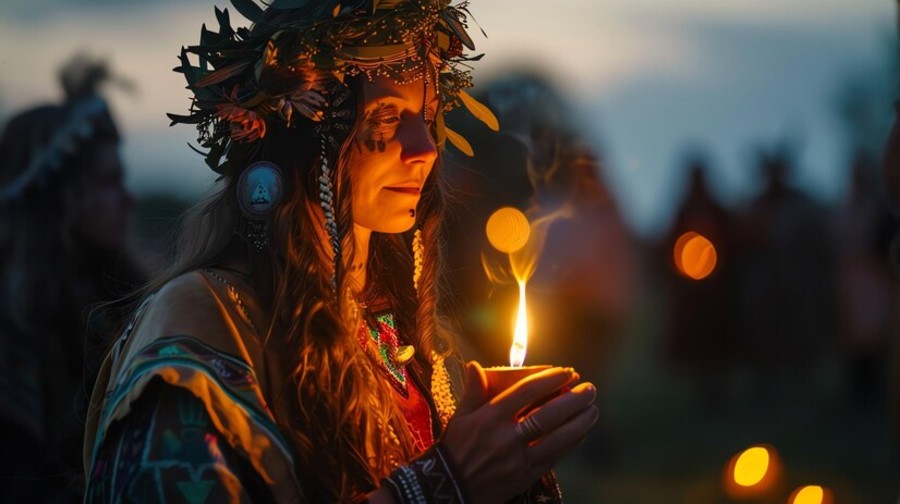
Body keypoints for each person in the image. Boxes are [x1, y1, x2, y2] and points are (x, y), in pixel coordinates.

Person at [82, 1, 598, 502]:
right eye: (386, 117)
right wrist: (446, 483)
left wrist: (509, 470)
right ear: (306, 138)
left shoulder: (394, 335)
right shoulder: (200, 333)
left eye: (427, 115)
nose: (424, 149)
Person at [0, 56, 144, 500]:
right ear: (57, 197)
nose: (127, 199)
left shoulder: (117, 299)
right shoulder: (12, 334)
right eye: (107, 181)